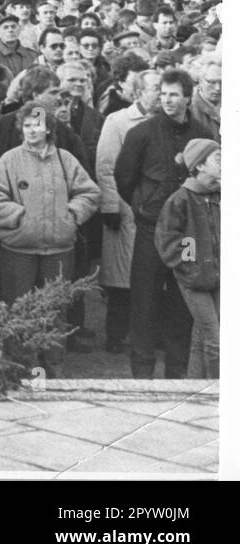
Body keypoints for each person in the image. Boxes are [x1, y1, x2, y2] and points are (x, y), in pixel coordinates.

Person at [0, 101, 100, 374]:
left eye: (38, 124)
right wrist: (19, 217)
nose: (32, 130)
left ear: (49, 129)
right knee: (19, 308)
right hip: (18, 250)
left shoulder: (65, 159)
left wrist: (71, 214)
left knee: (55, 311)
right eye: (27, 125)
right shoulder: (9, 160)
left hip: (59, 250)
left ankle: (53, 367)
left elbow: (90, 193)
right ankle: (22, 366)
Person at [114, 67, 217, 379]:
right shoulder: (141, 133)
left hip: (189, 235)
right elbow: (124, 179)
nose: (168, 100)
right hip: (151, 231)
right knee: (144, 300)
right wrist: (145, 207)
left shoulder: (201, 134)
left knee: (180, 300)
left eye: (175, 94)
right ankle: (141, 375)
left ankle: (176, 374)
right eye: (164, 94)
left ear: (187, 97)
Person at [155, 140, 220, 379]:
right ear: (200, 165)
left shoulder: (220, 196)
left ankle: (193, 388)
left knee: (201, 337)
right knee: (216, 340)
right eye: (218, 159)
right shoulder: (181, 199)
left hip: (218, 277)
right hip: (194, 280)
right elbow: (168, 239)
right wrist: (190, 265)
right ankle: (218, 394)